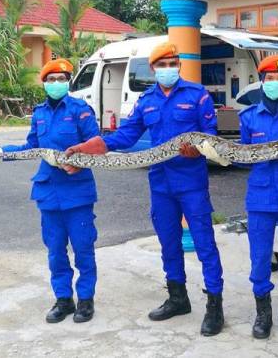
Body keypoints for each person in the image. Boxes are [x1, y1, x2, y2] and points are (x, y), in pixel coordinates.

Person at [66, 42, 225, 336]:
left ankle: (215, 305)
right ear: (153, 69)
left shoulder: (197, 94)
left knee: (204, 243)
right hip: (161, 183)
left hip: (191, 183)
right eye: (163, 65)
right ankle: (178, 298)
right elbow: (127, 135)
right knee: (168, 243)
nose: (169, 69)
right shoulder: (146, 100)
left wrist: (201, 148)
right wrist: (95, 146)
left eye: (173, 63)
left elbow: (211, 136)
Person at [198, 54, 278, 339]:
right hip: (259, 199)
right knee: (259, 259)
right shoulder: (248, 117)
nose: (276, 83)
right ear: (262, 82)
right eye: (271, 79)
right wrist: (224, 157)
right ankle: (263, 313)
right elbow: (245, 157)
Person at [0, 59, 99, 323]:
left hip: (77, 192)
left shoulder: (80, 110)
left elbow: (95, 146)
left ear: (68, 81)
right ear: (44, 84)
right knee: (55, 251)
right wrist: (1, 151)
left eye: (61, 79)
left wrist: (78, 161)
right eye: (51, 80)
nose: (56, 84)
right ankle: (63, 299)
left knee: (83, 248)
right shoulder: (39, 113)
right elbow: (31, 146)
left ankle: (85, 300)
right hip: (48, 193)